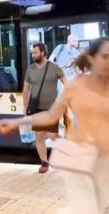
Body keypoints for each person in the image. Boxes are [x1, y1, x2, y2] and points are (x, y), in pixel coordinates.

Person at [0, 37, 109, 214]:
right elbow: (51, 116)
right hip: (80, 160)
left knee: (95, 209)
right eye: (105, 56)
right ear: (92, 58)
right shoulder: (75, 86)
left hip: (105, 162)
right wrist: (17, 122)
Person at [23, 42, 66, 173]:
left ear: (43, 52)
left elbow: (68, 84)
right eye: (32, 52)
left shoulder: (55, 68)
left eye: (35, 52)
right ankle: (44, 163)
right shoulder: (30, 69)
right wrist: (25, 110)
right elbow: (26, 89)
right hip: (36, 109)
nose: (32, 55)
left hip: (51, 109)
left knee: (52, 136)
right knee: (39, 137)